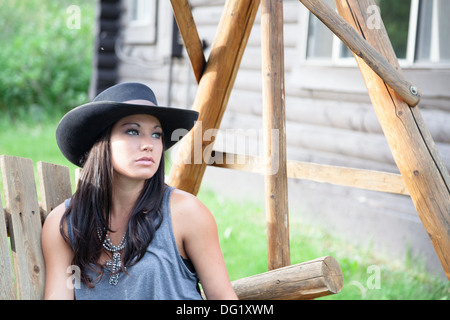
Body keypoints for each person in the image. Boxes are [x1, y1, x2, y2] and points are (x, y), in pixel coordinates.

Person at [42, 82, 238, 300]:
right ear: (101, 142)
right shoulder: (65, 224)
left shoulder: (186, 213)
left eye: (156, 135)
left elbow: (223, 298)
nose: (148, 144)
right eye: (133, 131)